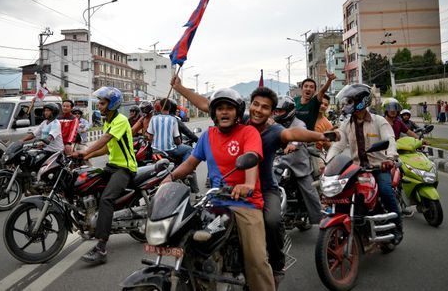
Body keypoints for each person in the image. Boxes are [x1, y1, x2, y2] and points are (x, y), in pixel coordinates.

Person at [171, 76, 332, 286]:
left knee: (272, 222)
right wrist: (179, 87)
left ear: (272, 113)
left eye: (265, 108)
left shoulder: (273, 131)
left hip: (262, 189)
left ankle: (276, 264)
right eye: (256, 104)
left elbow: (294, 133)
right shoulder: (240, 119)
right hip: (226, 193)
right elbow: (207, 104)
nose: (258, 110)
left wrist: (321, 136)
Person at [162, 88, 276, 291]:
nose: (224, 112)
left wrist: (248, 185)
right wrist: (169, 178)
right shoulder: (208, 136)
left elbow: (251, 157)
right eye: (220, 108)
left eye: (229, 108)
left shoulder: (248, 132)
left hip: (245, 204)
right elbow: (190, 164)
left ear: (237, 113)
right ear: (214, 113)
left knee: (256, 260)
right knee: (190, 243)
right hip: (214, 203)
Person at [327, 84, 403, 244]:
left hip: (379, 167)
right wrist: (329, 163)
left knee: (385, 191)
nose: (347, 104)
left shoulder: (379, 121)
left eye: (350, 101)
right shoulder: (346, 124)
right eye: (347, 101)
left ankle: (397, 227)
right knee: (342, 194)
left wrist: (390, 158)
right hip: (357, 170)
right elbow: (338, 145)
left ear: (362, 101)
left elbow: (390, 140)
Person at [73, 87, 137, 264]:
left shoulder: (120, 120)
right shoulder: (108, 120)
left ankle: (101, 248)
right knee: (88, 184)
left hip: (125, 168)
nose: (99, 106)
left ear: (113, 104)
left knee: (106, 199)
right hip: (112, 166)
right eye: (99, 103)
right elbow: (106, 148)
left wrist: (84, 151)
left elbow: (105, 139)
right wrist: (85, 156)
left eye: (102, 103)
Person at [273, 95, 323, 225]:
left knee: (310, 192)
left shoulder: (299, 123)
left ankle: (319, 222)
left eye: (280, 111)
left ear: (289, 111)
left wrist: (293, 144)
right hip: (279, 162)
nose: (277, 113)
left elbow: (299, 136)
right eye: (276, 111)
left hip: (297, 163)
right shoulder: (274, 124)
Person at [146, 98, 198, 193]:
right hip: (170, 151)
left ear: (160, 107)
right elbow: (177, 139)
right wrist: (179, 143)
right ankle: (184, 170)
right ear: (170, 108)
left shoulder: (153, 119)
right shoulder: (173, 119)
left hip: (156, 151)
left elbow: (149, 136)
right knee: (189, 149)